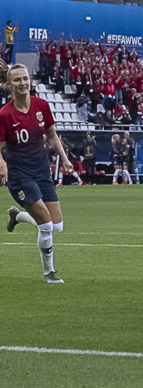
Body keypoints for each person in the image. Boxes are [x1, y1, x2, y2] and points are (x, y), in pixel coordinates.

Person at [1, 61, 71, 283]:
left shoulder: (41, 105)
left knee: (57, 225)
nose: (22, 83)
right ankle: (49, 273)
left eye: (25, 78)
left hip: (42, 172)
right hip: (20, 176)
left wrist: (65, 158)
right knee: (47, 225)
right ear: (9, 85)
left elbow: (51, 135)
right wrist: (1, 164)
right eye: (17, 80)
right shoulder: (5, 114)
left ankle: (18, 216)